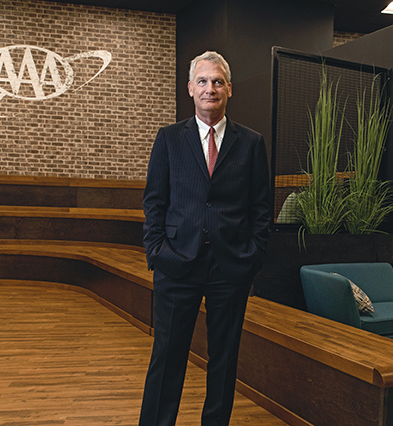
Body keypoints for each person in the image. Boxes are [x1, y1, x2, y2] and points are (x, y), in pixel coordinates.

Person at [139, 51, 271, 426]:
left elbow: (261, 207)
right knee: (167, 357)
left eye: (217, 81)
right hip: (177, 262)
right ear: (190, 89)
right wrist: (157, 252)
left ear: (229, 88)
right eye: (202, 81)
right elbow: (154, 202)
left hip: (231, 267)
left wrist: (253, 255)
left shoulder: (251, 143)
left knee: (224, 359)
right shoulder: (168, 139)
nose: (209, 88)